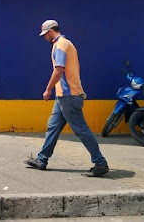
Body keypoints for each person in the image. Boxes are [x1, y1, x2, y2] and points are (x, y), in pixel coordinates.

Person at [24, 20, 109, 177]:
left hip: (68, 96)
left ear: (50, 32)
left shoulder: (61, 45)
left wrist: (48, 89)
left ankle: (100, 163)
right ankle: (41, 159)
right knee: (53, 127)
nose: (44, 38)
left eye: (45, 35)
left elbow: (59, 70)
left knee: (82, 130)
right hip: (64, 96)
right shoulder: (66, 43)